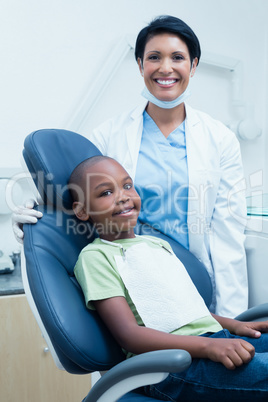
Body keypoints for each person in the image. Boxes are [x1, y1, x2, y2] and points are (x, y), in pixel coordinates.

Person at [12, 15, 248, 318]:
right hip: (133, 279)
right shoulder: (108, 136)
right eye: (154, 57)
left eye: (177, 57)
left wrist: (233, 318)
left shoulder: (220, 139)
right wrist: (36, 209)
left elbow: (228, 232)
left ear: (193, 65)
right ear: (140, 65)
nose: (165, 68)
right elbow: (77, 196)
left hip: (195, 276)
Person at [70, 155, 268, 402]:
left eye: (127, 185)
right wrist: (208, 347)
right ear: (81, 210)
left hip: (215, 339)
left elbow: (184, 309)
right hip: (171, 367)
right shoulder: (96, 256)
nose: (123, 196)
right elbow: (128, 335)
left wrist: (235, 325)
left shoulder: (157, 244)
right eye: (106, 192)